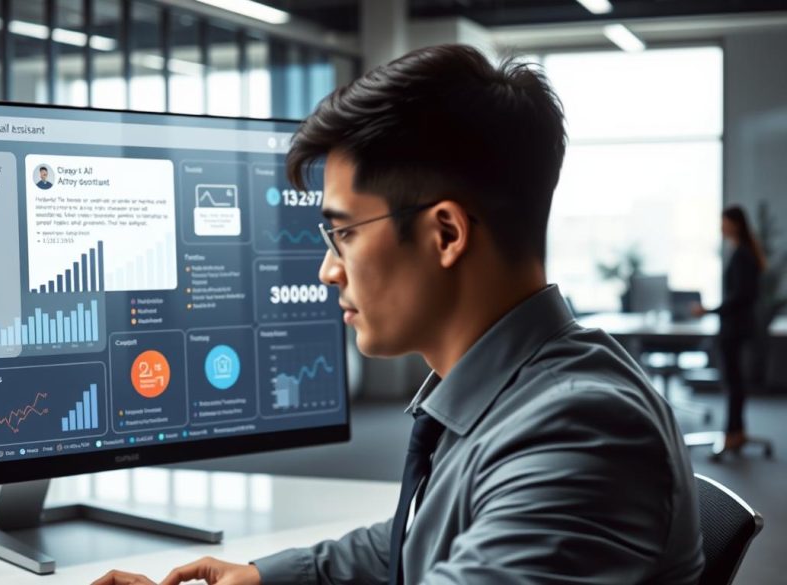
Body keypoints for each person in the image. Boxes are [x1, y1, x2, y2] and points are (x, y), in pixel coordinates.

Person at [93, 44, 704, 585]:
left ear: (445, 233)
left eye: (344, 234)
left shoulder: (580, 431)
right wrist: (261, 578)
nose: (328, 270)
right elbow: (417, 541)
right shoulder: (514, 394)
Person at [691, 206, 765, 453]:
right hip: (738, 325)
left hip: (735, 327)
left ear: (735, 223)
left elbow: (740, 295)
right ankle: (736, 431)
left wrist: (709, 311)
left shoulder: (742, 254)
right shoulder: (742, 251)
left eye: (724, 222)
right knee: (735, 381)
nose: (721, 227)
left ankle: (734, 433)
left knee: (733, 382)